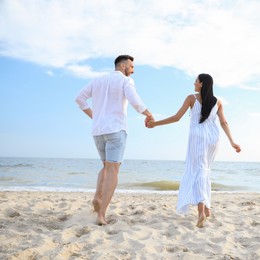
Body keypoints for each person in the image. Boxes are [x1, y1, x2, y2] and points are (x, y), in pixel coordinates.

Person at [146, 73, 241, 228]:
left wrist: (155, 124)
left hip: (198, 137)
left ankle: (201, 211)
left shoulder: (191, 98)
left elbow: (176, 117)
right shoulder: (218, 102)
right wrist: (232, 141)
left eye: (196, 81)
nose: (194, 83)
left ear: (202, 84)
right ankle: (208, 209)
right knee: (205, 171)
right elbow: (224, 122)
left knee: (198, 171)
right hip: (213, 138)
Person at [75, 55, 154, 225]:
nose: (132, 71)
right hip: (116, 129)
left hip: (97, 131)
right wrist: (148, 114)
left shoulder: (97, 80)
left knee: (105, 166)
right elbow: (135, 101)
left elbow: (79, 98)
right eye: (131, 67)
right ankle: (101, 214)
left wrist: (95, 117)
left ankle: (97, 196)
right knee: (113, 170)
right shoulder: (126, 81)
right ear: (123, 66)